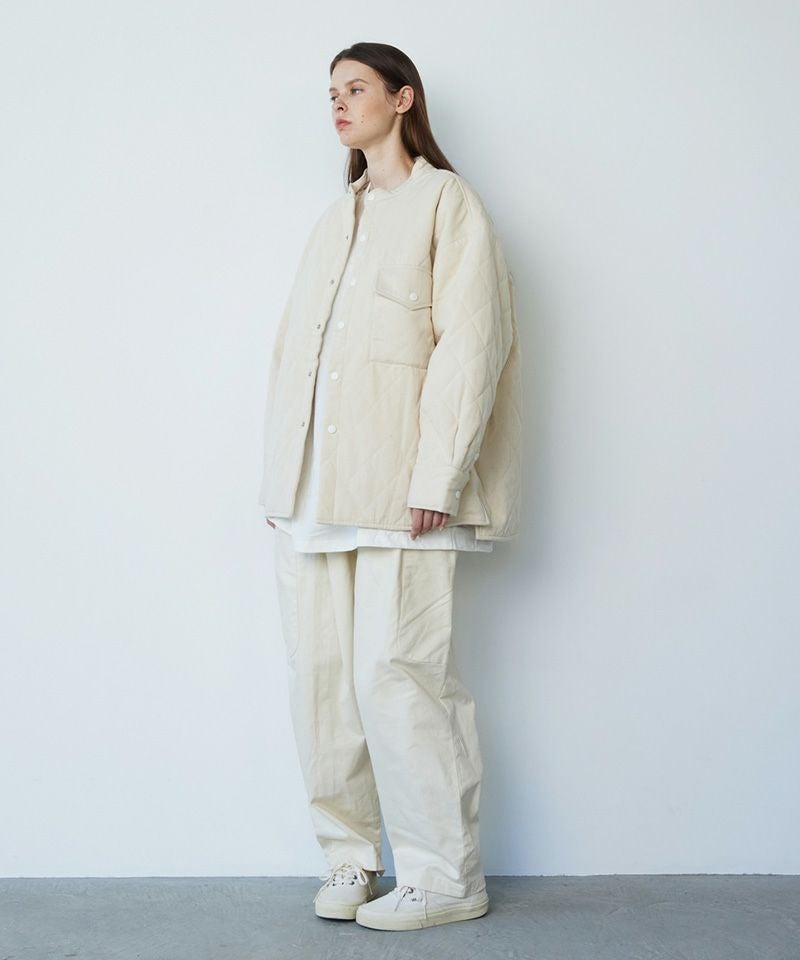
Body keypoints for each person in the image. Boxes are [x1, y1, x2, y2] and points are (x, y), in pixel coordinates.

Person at [258, 41, 522, 931]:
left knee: (399, 675)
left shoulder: (448, 203)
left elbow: (471, 348)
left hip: (403, 487)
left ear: (403, 99)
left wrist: (439, 474)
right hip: (312, 492)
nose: (338, 104)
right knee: (323, 681)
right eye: (331, 93)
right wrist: (281, 479)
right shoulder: (336, 218)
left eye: (356, 88)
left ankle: (445, 878)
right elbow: (294, 354)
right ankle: (351, 858)